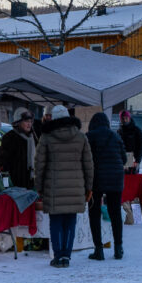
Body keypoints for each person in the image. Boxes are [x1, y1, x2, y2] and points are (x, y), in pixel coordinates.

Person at [35, 105, 94, 267]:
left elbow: (39, 164)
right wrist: (89, 187)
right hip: (76, 188)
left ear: (52, 118)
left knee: (55, 222)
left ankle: (58, 256)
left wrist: (39, 187)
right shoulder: (81, 137)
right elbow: (89, 165)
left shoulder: (46, 137)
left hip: (53, 188)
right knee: (70, 222)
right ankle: (66, 256)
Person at [85, 111, 126, 260]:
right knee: (115, 213)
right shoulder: (115, 136)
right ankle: (118, 248)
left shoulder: (89, 137)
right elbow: (124, 158)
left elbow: (86, 159)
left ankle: (99, 250)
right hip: (116, 179)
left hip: (96, 179)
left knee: (94, 213)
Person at [0, 108, 37, 189]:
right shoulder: (9, 137)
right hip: (15, 181)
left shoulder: (33, 137)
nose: (29, 124)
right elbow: (2, 161)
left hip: (31, 181)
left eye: (31, 121)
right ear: (18, 122)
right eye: (26, 121)